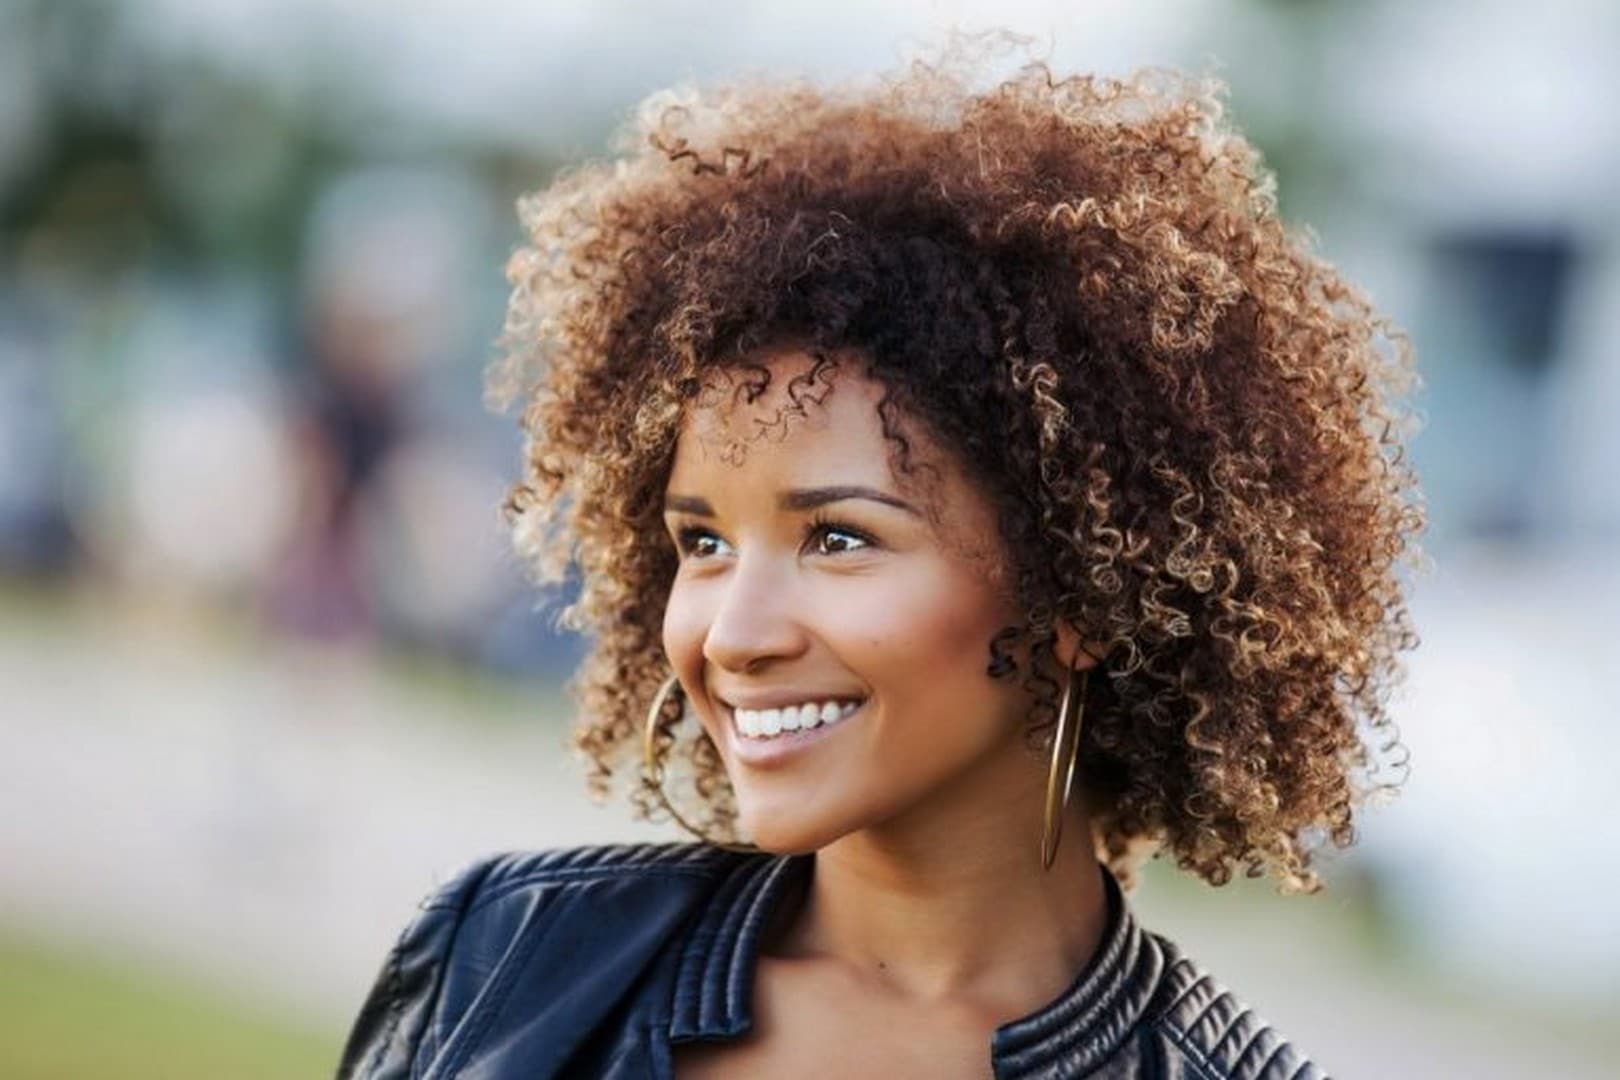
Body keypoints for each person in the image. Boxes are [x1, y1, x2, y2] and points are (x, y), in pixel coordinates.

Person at [337, 46, 1422, 1079]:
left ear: (1081, 591)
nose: (732, 634)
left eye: (838, 539)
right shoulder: (506, 963)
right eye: (702, 543)